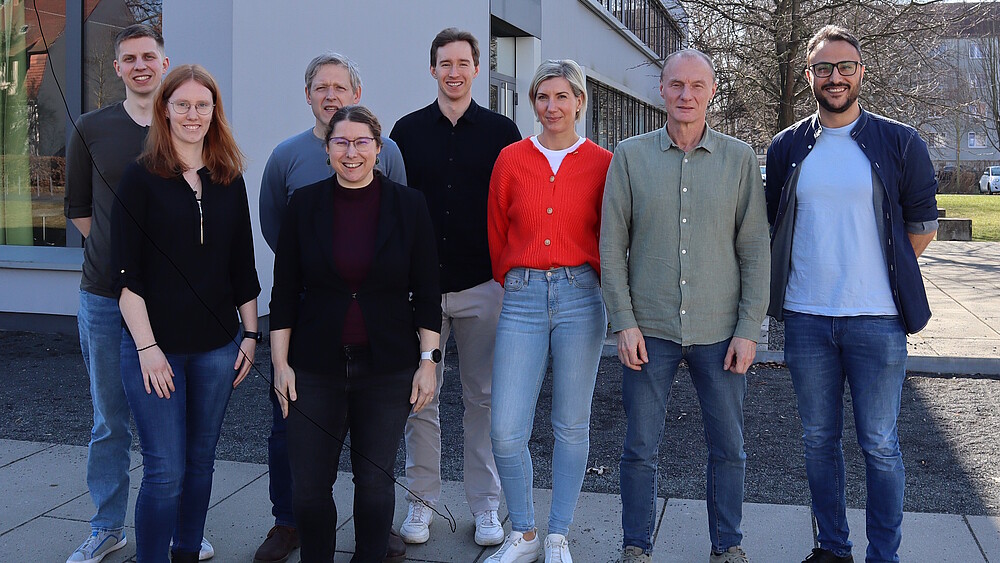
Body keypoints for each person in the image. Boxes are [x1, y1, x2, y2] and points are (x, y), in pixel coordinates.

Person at [766, 25, 938, 563]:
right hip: (806, 317)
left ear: (861, 72)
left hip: (877, 319)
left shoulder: (900, 141)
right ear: (810, 77)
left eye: (844, 67)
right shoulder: (786, 146)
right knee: (818, 441)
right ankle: (833, 548)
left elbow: (921, 228)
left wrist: (874, 272)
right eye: (823, 68)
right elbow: (776, 225)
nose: (834, 77)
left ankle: (883, 555)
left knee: (880, 444)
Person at [600, 49, 770, 563]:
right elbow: (612, 245)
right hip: (648, 330)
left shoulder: (739, 159)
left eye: (697, 85)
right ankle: (636, 546)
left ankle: (728, 546)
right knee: (639, 448)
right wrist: (623, 323)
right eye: (676, 84)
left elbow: (754, 249)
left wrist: (749, 329)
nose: (686, 95)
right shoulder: (630, 156)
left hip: (721, 331)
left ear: (712, 91)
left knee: (729, 447)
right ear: (661, 89)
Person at [63, 24, 213, 563]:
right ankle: (107, 526)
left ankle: (179, 528)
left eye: (149, 55)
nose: (141, 65)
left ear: (164, 62)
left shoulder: (186, 125)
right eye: (129, 58)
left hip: (175, 304)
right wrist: (122, 255)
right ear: (117, 68)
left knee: (178, 426)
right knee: (110, 419)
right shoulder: (90, 128)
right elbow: (80, 211)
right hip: (106, 299)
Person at [269, 105, 441, 563]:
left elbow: (428, 293)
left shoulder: (409, 206)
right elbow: (283, 292)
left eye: (362, 142)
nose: (351, 152)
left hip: (387, 367)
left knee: (375, 482)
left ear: (378, 149)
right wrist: (280, 365)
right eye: (341, 142)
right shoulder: (304, 205)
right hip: (313, 367)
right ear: (327, 150)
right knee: (309, 488)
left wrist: (428, 362)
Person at [255, 51, 407, 563]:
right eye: (321, 87)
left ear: (355, 94)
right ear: (308, 96)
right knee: (293, 435)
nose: (330, 95)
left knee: (374, 447)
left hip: (374, 325)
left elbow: (399, 230)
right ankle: (288, 523)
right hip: (306, 318)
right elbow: (276, 228)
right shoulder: (286, 157)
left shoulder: (388, 154)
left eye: (339, 87)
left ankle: (376, 528)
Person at [112, 64, 260, 563]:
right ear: (165, 109)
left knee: (200, 462)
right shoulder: (139, 178)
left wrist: (250, 335)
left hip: (218, 348)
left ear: (214, 111)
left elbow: (243, 266)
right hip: (155, 350)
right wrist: (148, 348)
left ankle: (187, 551)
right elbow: (125, 277)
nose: (192, 114)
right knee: (165, 470)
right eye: (182, 105)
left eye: (202, 105)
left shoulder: (228, 178)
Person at [389, 27, 521, 548]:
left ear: (476, 69)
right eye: (445, 63)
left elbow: (515, 206)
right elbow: (393, 207)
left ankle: (486, 505)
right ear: (432, 69)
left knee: (483, 399)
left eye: (463, 63)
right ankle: (421, 501)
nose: (454, 72)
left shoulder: (502, 132)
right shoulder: (406, 132)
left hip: (482, 284)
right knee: (420, 398)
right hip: (419, 291)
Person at [484, 59, 611, 563]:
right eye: (543, 97)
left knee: (571, 424)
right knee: (505, 428)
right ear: (533, 103)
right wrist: (518, 279)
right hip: (523, 296)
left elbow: (613, 232)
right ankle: (524, 532)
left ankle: (558, 534)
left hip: (582, 296)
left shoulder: (603, 163)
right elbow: (497, 228)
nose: (552, 106)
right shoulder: (511, 159)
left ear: (579, 101)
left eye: (562, 96)